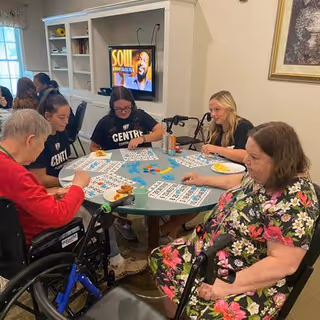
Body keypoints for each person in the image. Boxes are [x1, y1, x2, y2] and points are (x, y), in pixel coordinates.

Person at [149, 121, 319, 319]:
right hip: (209, 253)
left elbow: (283, 263)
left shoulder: (295, 202)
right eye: (247, 153)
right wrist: (203, 179)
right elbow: (241, 180)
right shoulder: (262, 174)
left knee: (209, 312)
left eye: (253, 157)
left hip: (244, 274)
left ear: (280, 161)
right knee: (160, 258)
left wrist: (229, 284)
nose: (246, 160)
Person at [28, 89, 146, 279]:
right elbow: (39, 179)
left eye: (68, 116)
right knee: (96, 210)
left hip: (67, 185)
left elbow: (64, 165)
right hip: (53, 193)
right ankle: (114, 260)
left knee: (104, 204)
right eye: (62, 117)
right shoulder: (40, 141)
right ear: (47, 116)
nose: (67, 122)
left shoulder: (61, 133)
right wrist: (72, 181)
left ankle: (107, 256)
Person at [0, 109, 90, 290]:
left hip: (6, 244)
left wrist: (48, 194)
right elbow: (59, 216)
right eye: (42, 143)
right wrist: (77, 186)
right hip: (30, 244)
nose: (42, 149)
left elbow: (16, 198)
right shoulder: (16, 173)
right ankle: (84, 270)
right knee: (88, 214)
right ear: (30, 140)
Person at [90, 86, 164, 240]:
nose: (123, 112)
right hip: (118, 167)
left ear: (132, 104)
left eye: (127, 108)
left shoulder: (139, 116)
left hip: (144, 164)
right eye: (118, 109)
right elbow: (94, 146)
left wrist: (142, 138)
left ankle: (150, 217)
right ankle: (123, 222)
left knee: (149, 186)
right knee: (123, 193)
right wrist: (103, 158)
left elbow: (160, 132)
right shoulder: (106, 122)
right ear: (112, 107)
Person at [202, 90, 254, 163]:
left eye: (217, 109)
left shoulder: (244, 127)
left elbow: (247, 156)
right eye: (211, 110)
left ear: (229, 109)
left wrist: (216, 149)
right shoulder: (215, 127)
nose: (212, 114)